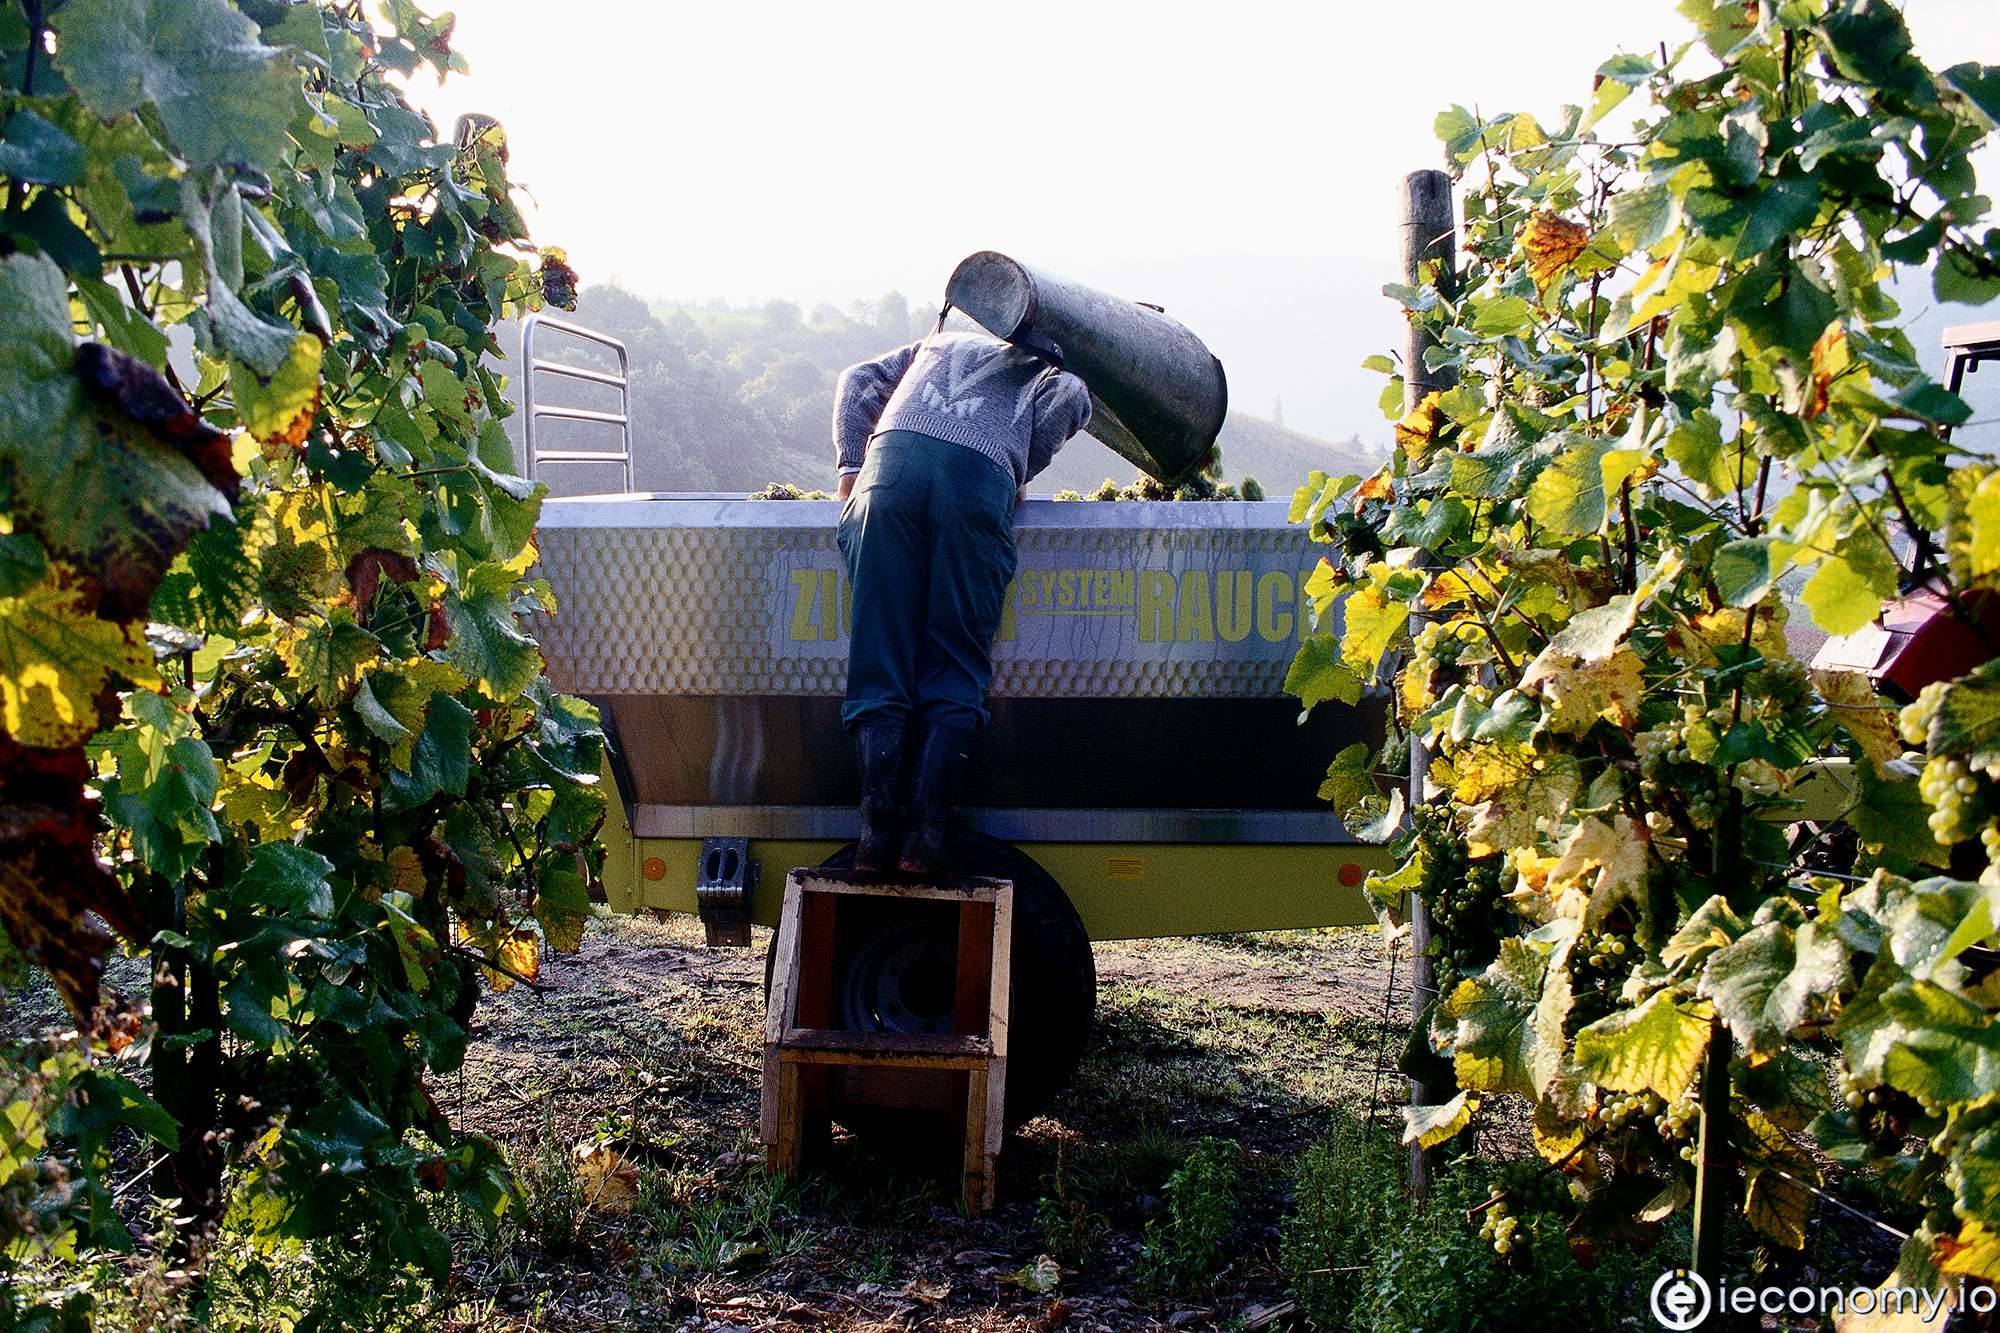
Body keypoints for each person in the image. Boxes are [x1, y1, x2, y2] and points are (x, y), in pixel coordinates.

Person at [832, 320, 1091, 874]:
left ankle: (875, 834)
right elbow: (1068, 398)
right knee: (953, 660)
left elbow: (857, 380)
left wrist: (852, 469)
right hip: (975, 480)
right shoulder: (1051, 364)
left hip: (890, 470)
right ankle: (925, 838)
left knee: (880, 657)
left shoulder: (938, 341)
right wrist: (1016, 461)